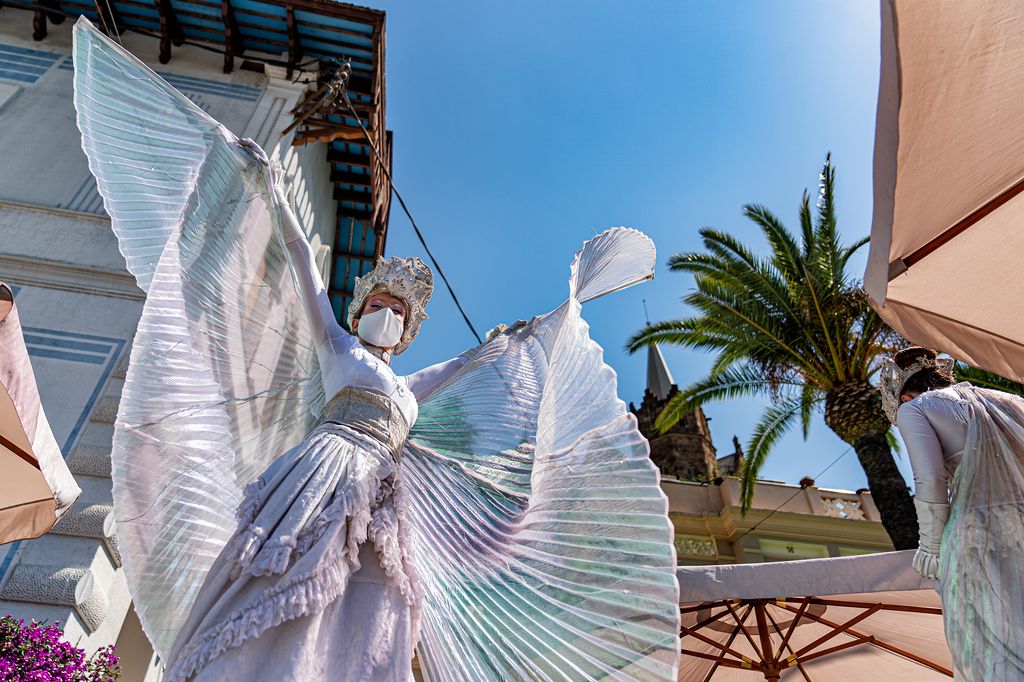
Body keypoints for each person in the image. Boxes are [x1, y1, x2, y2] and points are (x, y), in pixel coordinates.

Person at [72, 18, 681, 682]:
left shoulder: (407, 388)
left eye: (400, 312)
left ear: (409, 329)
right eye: (380, 305)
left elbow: (470, 364)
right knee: (278, 579)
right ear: (360, 312)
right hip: (315, 478)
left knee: (368, 605)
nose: (388, 315)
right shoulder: (338, 348)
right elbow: (303, 267)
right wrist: (273, 192)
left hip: (379, 502)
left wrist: (531, 331)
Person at [881, 347, 1024, 680]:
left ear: (903, 395)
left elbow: (929, 479)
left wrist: (931, 547)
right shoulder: (1005, 400)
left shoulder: (914, 409)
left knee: (991, 643)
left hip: (978, 532)